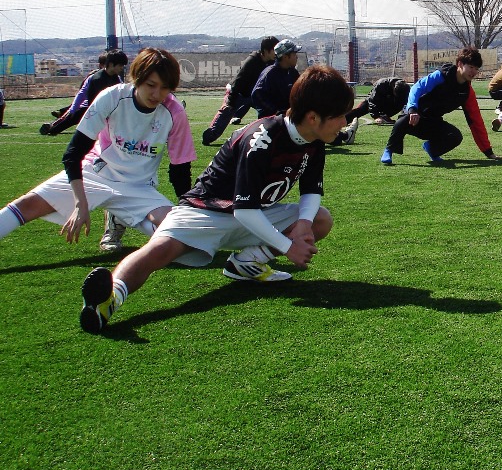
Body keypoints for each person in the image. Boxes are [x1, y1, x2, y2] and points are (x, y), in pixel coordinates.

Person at [79, 64, 354, 334]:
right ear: (313, 118)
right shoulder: (261, 139)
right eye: (340, 116)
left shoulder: (314, 141)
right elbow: (244, 210)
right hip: (205, 210)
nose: (344, 123)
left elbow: (310, 189)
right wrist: (288, 246)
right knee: (158, 252)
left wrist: (303, 224)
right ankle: (108, 300)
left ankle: (246, 263)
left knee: (319, 219)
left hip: (255, 213)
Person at [0, 48, 195, 254]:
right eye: (151, 85)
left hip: (139, 187)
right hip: (96, 174)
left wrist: (186, 211)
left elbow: (180, 170)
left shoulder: (174, 112)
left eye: (165, 88)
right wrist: (80, 204)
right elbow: (73, 154)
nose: (157, 94)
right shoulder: (112, 97)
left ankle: (118, 217)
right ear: (137, 78)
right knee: (27, 205)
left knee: (184, 238)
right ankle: (118, 215)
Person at [380, 47, 498, 165]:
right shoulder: (441, 75)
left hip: (432, 123)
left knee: (455, 136)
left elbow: (476, 121)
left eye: (476, 69)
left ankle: (432, 149)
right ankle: (389, 150)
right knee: (402, 121)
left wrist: (488, 151)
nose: (474, 72)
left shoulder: (467, 92)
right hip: (414, 117)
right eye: (471, 67)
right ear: (460, 64)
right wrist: (412, 109)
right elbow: (417, 87)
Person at [201, 35, 278, 146]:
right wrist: (231, 101)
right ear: (266, 51)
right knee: (225, 114)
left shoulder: (272, 62)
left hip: (254, 95)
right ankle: (209, 136)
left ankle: (270, 136)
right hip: (238, 93)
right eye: (274, 50)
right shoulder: (252, 61)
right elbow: (239, 80)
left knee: (270, 111)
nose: (276, 53)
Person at [40, 49, 128, 136]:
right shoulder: (95, 78)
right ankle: (51, 127)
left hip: (104, 111)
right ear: (111, 64)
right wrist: (73, 109)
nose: (122, 68)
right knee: (66, 123)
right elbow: (82, 94)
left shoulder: (117, 79)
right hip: (88, 110)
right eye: (120, 65)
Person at [331, 77, 411, 146]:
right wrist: (376, 116)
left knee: (400, 105)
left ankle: (385, 116)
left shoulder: (405, 89)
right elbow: (372, 102)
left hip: (390, 102)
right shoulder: (381, 84)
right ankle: (340, 122)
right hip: (375, 100)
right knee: (360, 110)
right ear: (393, 88)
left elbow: (406, 103)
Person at [251, 39, 301, 118]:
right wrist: (275, 111)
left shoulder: (293, 72)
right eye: (294, 54)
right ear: (285, 57)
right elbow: (256, 94)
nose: (296, 57)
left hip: (288, 118)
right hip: (271, 121)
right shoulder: (269, 74)